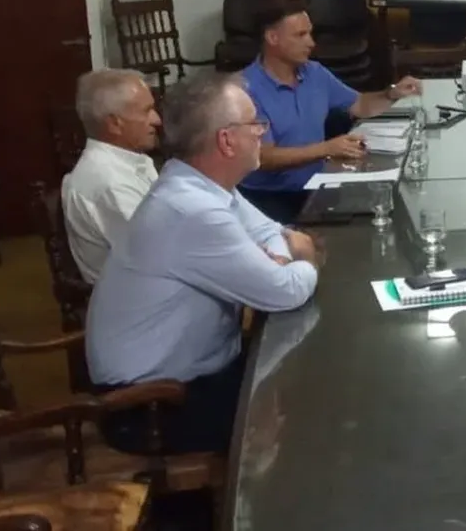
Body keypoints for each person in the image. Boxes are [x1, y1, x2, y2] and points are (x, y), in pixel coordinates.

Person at [86, 71, 321, 455]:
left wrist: (278, 254)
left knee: (303, 378)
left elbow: (269, 230)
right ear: (227, 140)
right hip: (150, 405)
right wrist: (304, 256)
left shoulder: (200, 184)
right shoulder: (191, 208)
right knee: (307, 407)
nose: (262, 132)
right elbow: (285, 291)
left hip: (193, 374)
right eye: (255, 123)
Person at [240, 0, 422, 223]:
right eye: (300, 35)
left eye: (310, 33)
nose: (311, 43)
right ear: (272, 38)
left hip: (319, 185)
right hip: (271, 199)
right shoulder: (246, 89)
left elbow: (360, 105)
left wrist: (391, 93)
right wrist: (327, 148)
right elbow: (262, 156)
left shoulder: (314, 72)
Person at [61, 69, 161, 284]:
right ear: (115, 123)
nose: (157, 120)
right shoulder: (109, 183)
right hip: (136, 301)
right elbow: (160, 256)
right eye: (147, 111)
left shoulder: (129, 159)